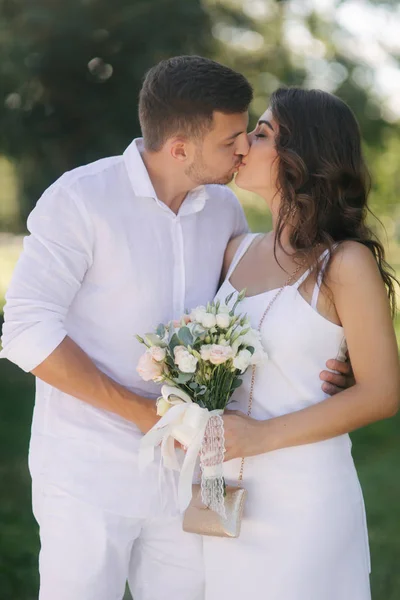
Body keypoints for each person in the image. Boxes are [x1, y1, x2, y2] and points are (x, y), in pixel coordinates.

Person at [1, 58, 351, 600]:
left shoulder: (225, 210)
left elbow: (252, 311)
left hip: (192, 473)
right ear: (181, 148)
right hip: (88, 469)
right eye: (232, 138)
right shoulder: (80, 199)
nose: (243, 150)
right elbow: (24, 328)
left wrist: (333, 357)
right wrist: (146, 415)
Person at [204, 87, 400, 600]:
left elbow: (382, 392)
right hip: (224, 499)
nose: (244, 141)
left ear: (301, 157)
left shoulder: (343, 263)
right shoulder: (233, 251)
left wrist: (258, 437)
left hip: (305, 502)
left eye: (263, 133)